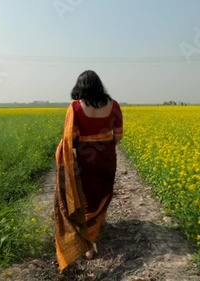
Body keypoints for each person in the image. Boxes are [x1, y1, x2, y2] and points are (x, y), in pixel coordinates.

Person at [54, 70, 123, 271]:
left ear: (81, 86)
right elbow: (118, 134)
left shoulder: (76, 107)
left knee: (87, 196)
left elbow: (72, 137)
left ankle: (89, 244)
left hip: (86, 157)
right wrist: (104, 145)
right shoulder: (114, 105)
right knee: (104, 192)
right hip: (107, 156)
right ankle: (95, 230)